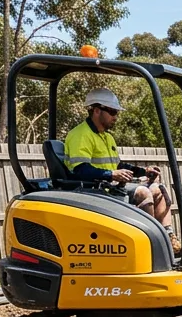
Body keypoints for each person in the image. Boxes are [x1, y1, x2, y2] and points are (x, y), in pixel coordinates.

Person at [65, 88, 175, 242]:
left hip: (108, 187)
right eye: (112, 112)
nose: (116, 117)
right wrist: (111, 175)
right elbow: (80, 170)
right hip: (90, 191)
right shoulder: (80, 135)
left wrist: (144, 171)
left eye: (117, 112)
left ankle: (169, 238)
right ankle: (151, 242)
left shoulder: (107, 137)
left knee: (158, 190)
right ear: (97, 110)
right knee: (143, 192)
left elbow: (117, 166)